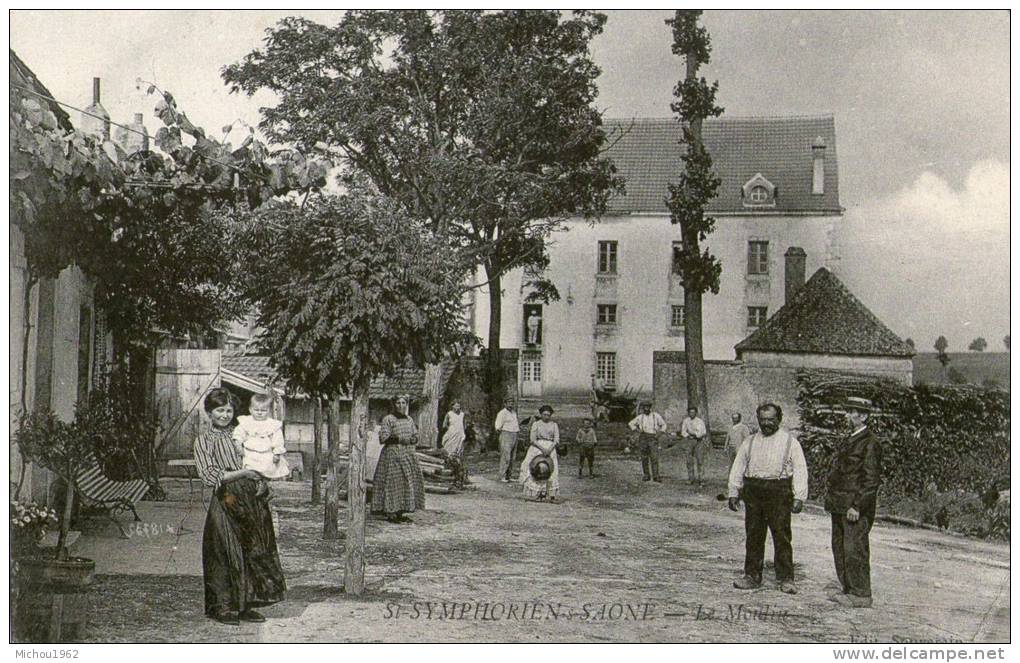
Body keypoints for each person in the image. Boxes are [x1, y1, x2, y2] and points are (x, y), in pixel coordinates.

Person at [193, 387, 285, 625]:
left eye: (228, 410)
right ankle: (221, 608)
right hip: (226, 499)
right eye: (219, 410)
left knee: (253, 551)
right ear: (209, 412)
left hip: (252, 499)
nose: (224, 415)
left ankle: (246, 605)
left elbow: (263, 459)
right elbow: (208, 475)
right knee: (224, 553)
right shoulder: (203, 441)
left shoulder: (244, 433)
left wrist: (264, 481)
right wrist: (244, 472)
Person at [727, 403, 808, 595]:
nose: (766, 424)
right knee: (754, 535)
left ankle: (786, 578)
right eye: (762, 420)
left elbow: (800, 469)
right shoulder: (750, 441)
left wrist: (799, 496)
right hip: (754, 491)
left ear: (779, 420)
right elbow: (738, 466)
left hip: (779, 491)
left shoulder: (790, 442)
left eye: (771, 420)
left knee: (781, 535)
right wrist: (733, 491)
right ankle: (752, 576)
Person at [826, 396, 883, 609]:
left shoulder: (870, 443)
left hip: (853, 508)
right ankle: (848, 590)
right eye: (848, 411)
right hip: (839, 504)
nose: (847, 415)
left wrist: (857, 506)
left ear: (864, 416)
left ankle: (861, 594)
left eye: (852, 412)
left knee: (854, 550)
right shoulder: (851, 438)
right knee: (840, 548)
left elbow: (870, 480)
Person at [371, 394, 426, 523]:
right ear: (394, 405)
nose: (401, 406)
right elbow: (383, 438)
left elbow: (415, 434)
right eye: (398, 403)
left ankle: (401, 511)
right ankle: (391, 512)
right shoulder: (388, 419)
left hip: (407, 455)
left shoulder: (409, 420)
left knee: (405, 482)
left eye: (403, 403)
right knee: (392, 483)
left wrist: (414, 438)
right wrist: (401, 439)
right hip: (392, 455)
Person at [232, 392, 290, 480]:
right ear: (250, 409)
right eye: (256, 410)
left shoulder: (272, 424)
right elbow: (239, 433)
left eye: (263, 410)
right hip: (250, 453)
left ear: (269, 411)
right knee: (250, 468)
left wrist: (277, 453)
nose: (259, 413)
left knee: (268, 468)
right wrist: (238, 443)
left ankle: (264, 481)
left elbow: (278, 440)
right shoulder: (247, 422)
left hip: (266, 454)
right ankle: (254, 481)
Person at [519, 405, 560, 502]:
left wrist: (549, 449)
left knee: (551, 470)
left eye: (548, 415)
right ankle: (537, 493)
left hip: (550, 448)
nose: (546, 417)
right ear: (541, 414)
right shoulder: (536, 424)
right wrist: (542, 448)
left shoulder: (554, 425)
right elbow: (532, 439)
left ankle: (551, 495)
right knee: (536, 468)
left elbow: (556, 439)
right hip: (537, 447)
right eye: (544, 414)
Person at [628, 401, 666, 482]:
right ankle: (646, 475)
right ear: (642, 408)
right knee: (644, 457)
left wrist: (659, 434)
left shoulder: (655, 416)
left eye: (648, 407)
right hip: (643, 437)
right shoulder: (640, 417)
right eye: (644, 407)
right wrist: (637, 430)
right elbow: (631, 424)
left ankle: (656, 476)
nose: (646, 409)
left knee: (654, 457)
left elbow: (664, 425)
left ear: (650, 407)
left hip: (653, 437)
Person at [680, 406, 709, 486]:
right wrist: (687, 435)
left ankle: (701, 479)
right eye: (690, 412)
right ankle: (691, 478)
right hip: (689, 441)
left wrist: (695, 434)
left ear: (696, 413)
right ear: (688, 413)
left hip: (698, 441)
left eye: (693, 412)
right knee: (689, 460)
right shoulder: (686, 421)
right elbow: (683, 431)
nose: (691, 414)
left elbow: (703, 432)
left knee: (700, 460)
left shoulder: (700, 421)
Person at [494, 398, 520, 483]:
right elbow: (497, 426)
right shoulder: (502, 413)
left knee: (513, 457)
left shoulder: (514, 413)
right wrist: (503, 434)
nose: (511, 404)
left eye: (512, 403)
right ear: (505, 404)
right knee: (506, 456)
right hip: (506, 434)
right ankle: (502, 475)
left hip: (514, 434)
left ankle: (509, 476)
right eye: (509, 403)